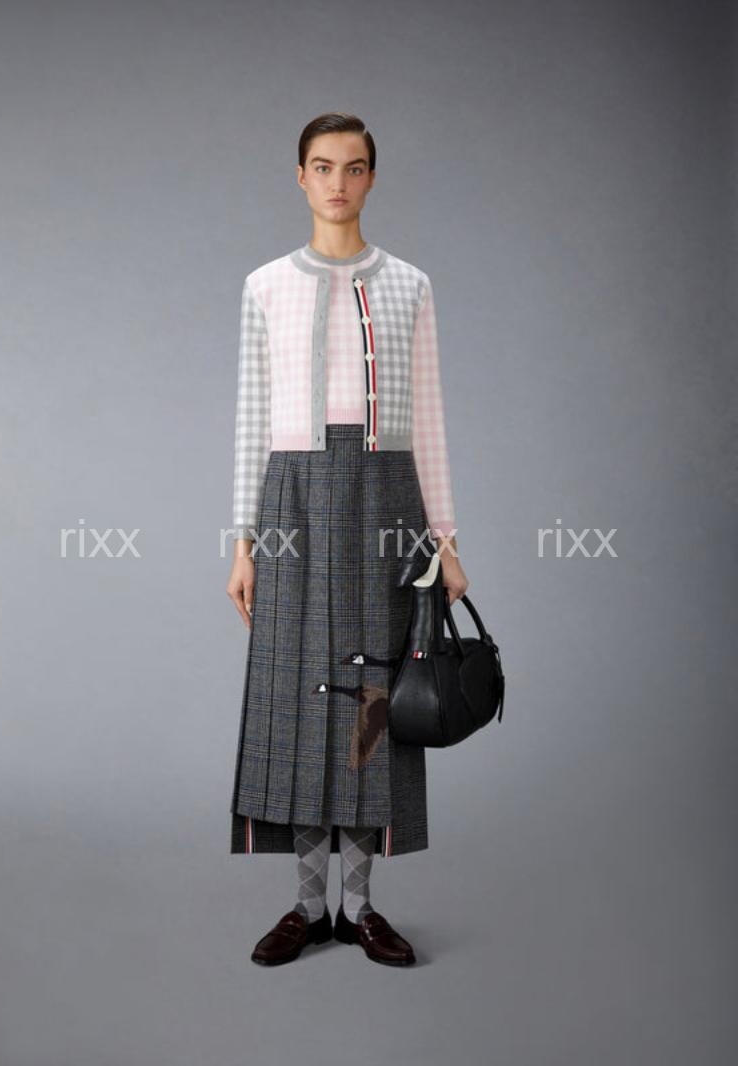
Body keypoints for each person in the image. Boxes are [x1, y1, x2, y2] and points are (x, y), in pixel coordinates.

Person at [225, 112, 468, 967]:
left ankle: (359, 906)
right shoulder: (264, 285)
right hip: (290, 497)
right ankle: (306, 906)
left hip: (385, 496)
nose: (338, 182)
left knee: (371, 694)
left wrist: (444, 539)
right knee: (300, 695)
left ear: (372, 177)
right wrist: (243, 542)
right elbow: (252, 421)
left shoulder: (410, 285)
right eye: (323, 167)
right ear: (300, 176)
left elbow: (428, 420)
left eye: (354, 167)